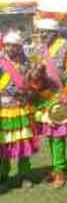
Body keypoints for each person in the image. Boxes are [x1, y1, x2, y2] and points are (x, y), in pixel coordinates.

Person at [33, 18, 67, 188]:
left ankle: (60, 171)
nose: (43, 35)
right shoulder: (39, 49)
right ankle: (55, 166)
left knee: (58, 136)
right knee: (50, 136)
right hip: (44, 97)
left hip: (60, 96)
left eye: (46, 32)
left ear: (55, 33)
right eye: (41, 32)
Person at [0, 30, 40, 192]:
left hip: (22, 108)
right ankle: (3, 177)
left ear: (19, 47)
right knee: (4, 145)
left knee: (24, 145)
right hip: (3, 110)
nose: (11, 48)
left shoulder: (28, 63)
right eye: (8, 45)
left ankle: (25, 176)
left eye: (14, 46)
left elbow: (34, 84)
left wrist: (30, 91)